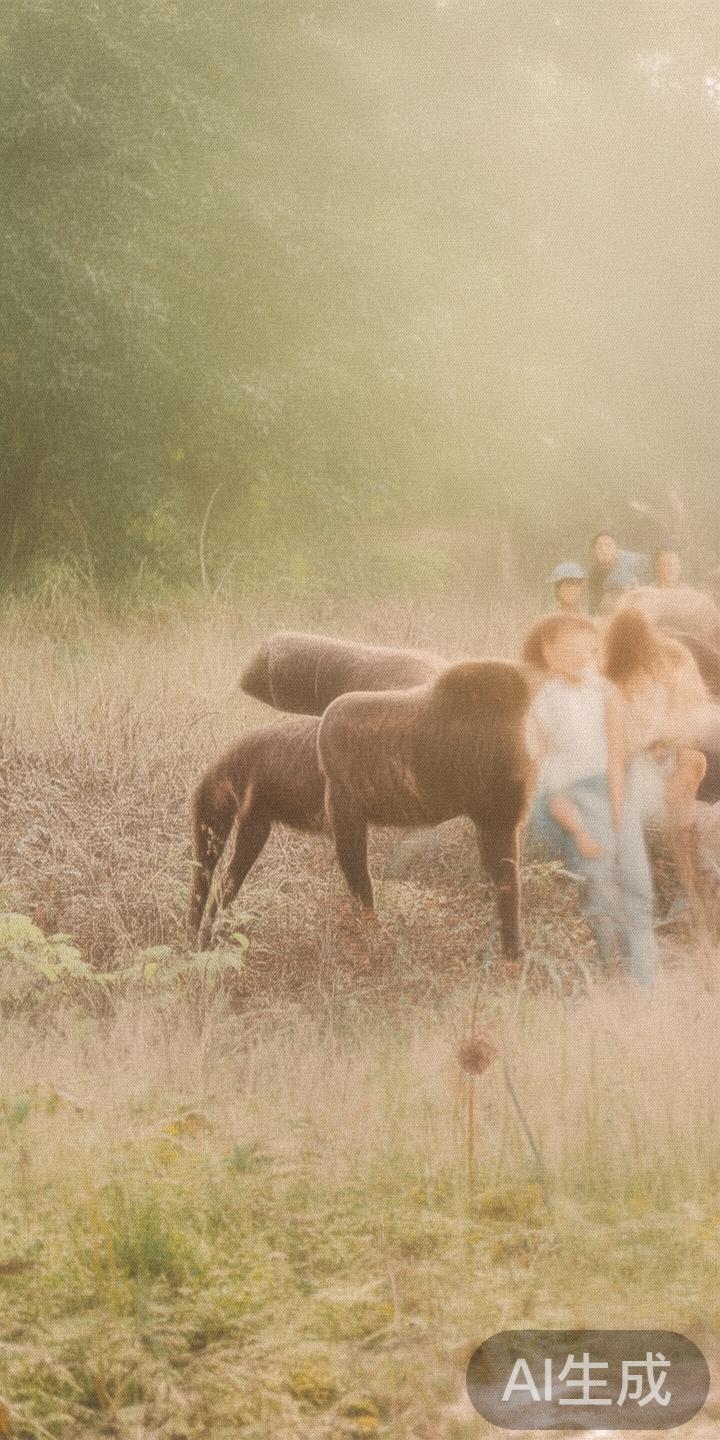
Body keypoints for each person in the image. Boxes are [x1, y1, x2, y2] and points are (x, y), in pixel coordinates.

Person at [523, 611, 656, 986]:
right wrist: (580, 825)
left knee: (635, 886)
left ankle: (642, 983)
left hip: (613, 789)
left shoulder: (605, 692)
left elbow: (617, 757)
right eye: (568, 649)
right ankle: (606, 974)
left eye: (587, 649)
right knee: (597, 889)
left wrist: (618, 814)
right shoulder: (544, 701)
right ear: (549, 653)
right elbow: (544, 772)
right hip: (571, 797)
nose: (580, 658)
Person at [602, 608, 709, 831]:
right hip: (630, 769)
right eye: (637, 642)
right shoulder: (610, 687)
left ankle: (681, 822)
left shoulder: (654, 676)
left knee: (694, 759)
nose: (643, 649)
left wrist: (665, 741)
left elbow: (672, 721)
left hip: (658, 758)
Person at [587, 530, 648, 616]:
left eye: (608, 546)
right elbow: (594, 607)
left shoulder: (632, 563)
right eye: (600, 547)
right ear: (594, 551)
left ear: (616, 549)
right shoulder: (594, 574)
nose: (604, 551)